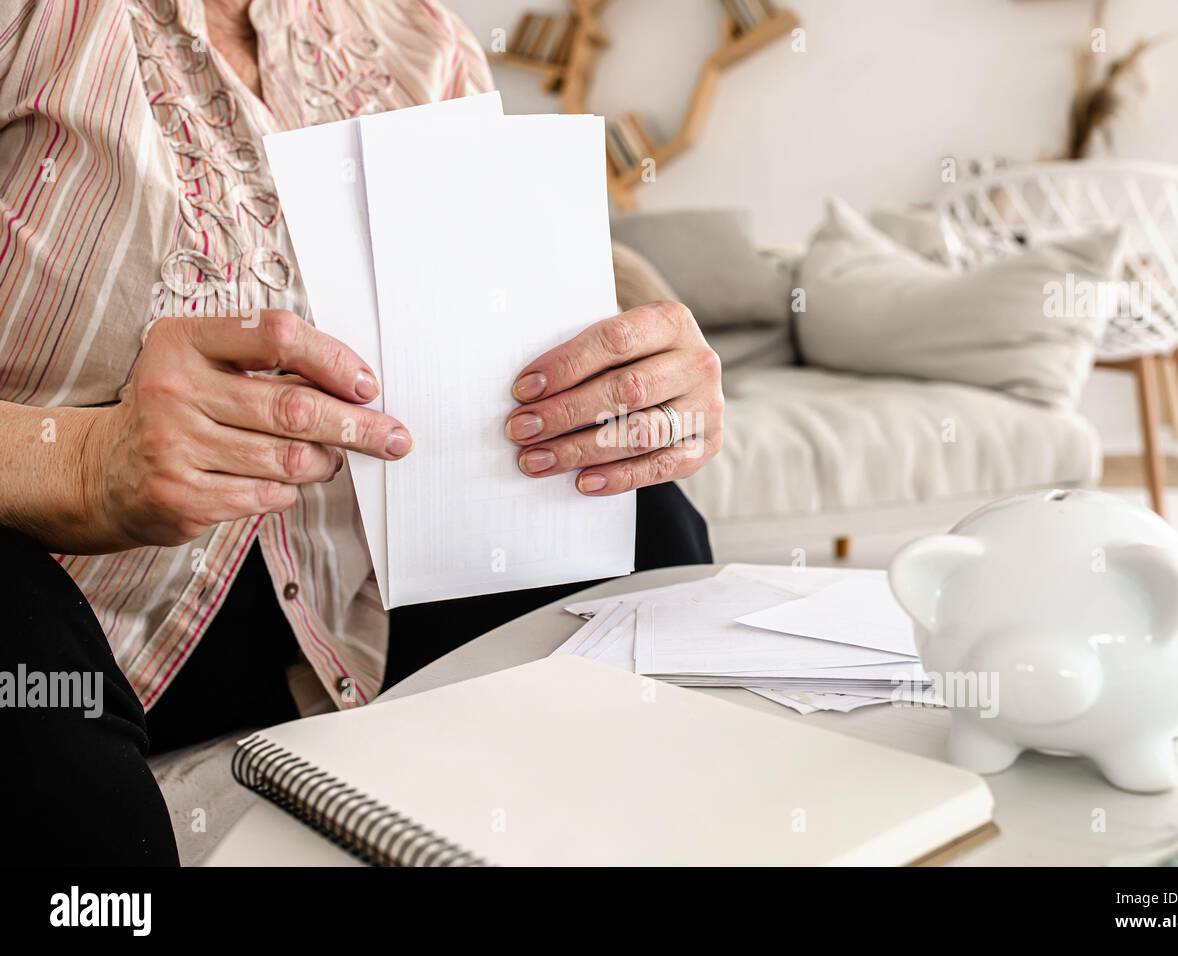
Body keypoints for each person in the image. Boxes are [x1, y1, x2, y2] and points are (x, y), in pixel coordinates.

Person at [0, 0, 723, 865]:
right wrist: (85, 459)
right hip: (72, 589)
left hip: (368, 587)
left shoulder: (424, 43)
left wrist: (637, 394)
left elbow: (506, 345)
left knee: (651, 525)